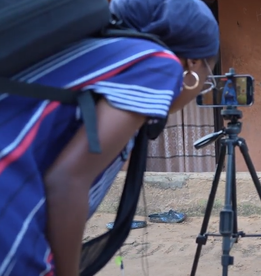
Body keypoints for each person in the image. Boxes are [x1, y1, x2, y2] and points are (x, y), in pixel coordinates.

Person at [0, 0, 219, 275]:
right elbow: (66, 181)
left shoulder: (95, 54)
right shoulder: (157, 63)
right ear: (193, 64)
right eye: (205, 78)